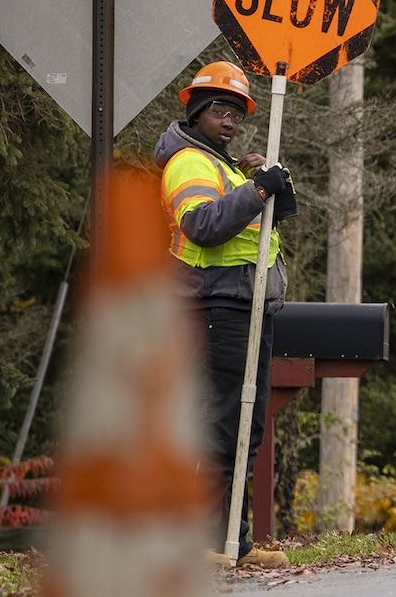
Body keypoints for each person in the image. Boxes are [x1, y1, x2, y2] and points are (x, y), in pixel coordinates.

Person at [154, 60, 296, 569]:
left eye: (237, 113)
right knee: (222, 425)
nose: (230, 121)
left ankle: (232, 540)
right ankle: (209, 541)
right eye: (220, 110)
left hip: (244, 304)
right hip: (216, 304)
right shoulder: (190, 162)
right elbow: (204, 225)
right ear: (196, 112)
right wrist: (257, 189)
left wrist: (265, 182)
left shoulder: (226, 165)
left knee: (243, 426)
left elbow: (271, 218)